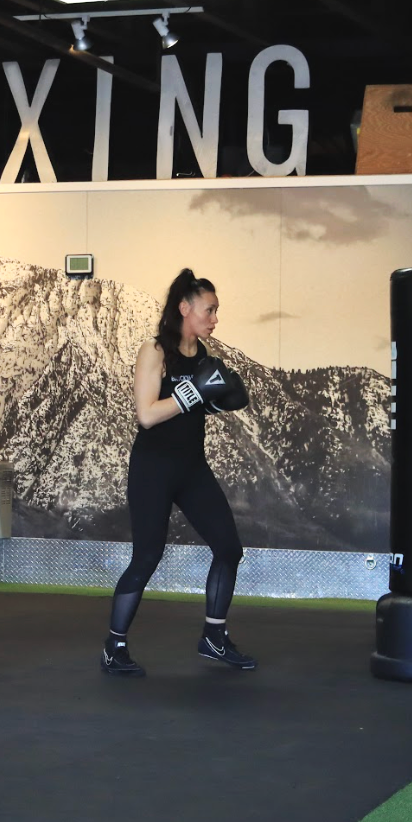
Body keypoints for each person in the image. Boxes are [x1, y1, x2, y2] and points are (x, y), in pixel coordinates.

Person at [102, 269, 254, 678]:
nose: (215, 319)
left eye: (216, 311)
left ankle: (214, 637)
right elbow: (147, 414)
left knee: (229, 548)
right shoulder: (154, 351)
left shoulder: (203, 356)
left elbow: (198, 406)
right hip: (153, 468)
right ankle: (114, 646)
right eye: (209, 310)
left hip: (191, 468)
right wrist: (196, 392)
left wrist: (219, 401)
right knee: (147, 556)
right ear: (185, 308)